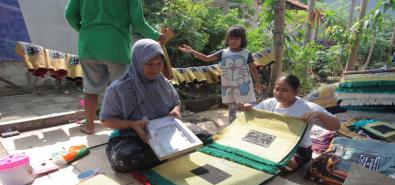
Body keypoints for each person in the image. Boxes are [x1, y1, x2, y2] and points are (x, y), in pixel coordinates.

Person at [65, 0, 166, 134]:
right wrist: (157, 36)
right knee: (126, 88)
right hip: (117, 46)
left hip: (89, 45)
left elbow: (69, 14)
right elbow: (138, 23)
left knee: (90, 88)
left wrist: (84, 29)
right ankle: (128, 126)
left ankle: (89, 126)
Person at [100, 39, 181, 172]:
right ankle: (165, 153)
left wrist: (176, 111)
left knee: (203, 136)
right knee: (123, 159)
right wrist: (131, 124)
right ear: (137, 61)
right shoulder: (119, 88)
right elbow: (106, 120)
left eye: (159, 64)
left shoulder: (163, 83)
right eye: (149, 64)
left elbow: (176, 103)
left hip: (163, 134)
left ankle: (163, 153)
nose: (155, 69)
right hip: (132, 137)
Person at [244, 74, 340, 171]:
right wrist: (248, 109)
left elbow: (336, 126)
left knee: (288, 165)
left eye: (284, 90)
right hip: (273, 142)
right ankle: (274, 155)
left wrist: (319, 114)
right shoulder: (269, 103)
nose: (279, 93)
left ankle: (278, 157)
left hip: (299, 149)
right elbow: (254, 117)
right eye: (276, 89)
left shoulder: (309, 108)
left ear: (296, 91)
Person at [178, 25, 262, 123]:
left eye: (237, 38)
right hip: (229, 86)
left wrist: (258, 83)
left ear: (242, 40)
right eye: (231, 38)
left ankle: (249, 126)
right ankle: (231, 128)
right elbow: (206, 58)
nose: (233, 41)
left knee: (249, 108)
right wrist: (192, 51)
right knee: (232, 110)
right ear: (227, 39)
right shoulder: (223, 52)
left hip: (243, 86)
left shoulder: (246, 53)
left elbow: (253, 69)